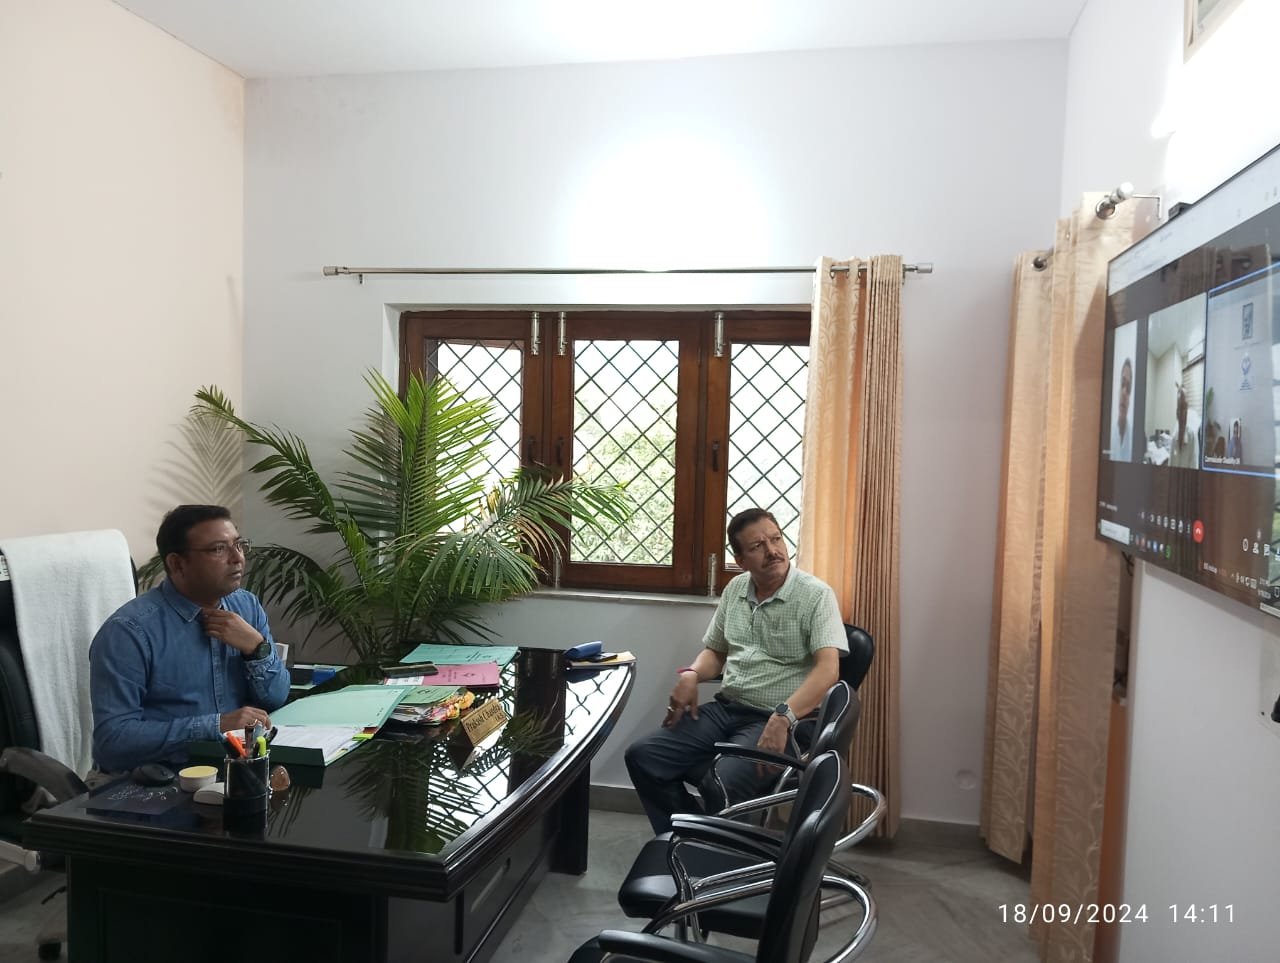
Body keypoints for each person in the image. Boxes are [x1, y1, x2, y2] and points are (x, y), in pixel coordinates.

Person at [624, 508, 847, 834]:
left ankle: (726, 867)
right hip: (727, 710)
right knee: (643, 756)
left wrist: (783, 717)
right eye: (758, 546)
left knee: (723, 783)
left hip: (781, 718)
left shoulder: (815, 595)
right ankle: (689, 838)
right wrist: (691, 674)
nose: (773, 551)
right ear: (741, 560)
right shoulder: (735, 590)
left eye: (776, 539)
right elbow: (716, 651)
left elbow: (829, 670)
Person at [89, 505, 291, 773]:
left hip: (233, 770)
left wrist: (256, 649)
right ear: (177, 563)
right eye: (219, 549)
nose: (237, 558)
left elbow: (276, 697)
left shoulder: (246, 606)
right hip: (154, 781)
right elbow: (113, 741)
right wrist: (216, 726)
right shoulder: (128, 632)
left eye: (239, 545)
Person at [1169, 385, 1199, 469]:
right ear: (1176, 413)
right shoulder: (1174, 438)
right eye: (1180, 408)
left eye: (1184, 408)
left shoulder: (1192, 437)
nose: (1182, 413)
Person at [1110, 357, 1133, 462]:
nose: (1124, 393)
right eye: (1122, 384)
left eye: (1128, 388)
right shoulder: (1107, 433)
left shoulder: (1134, 439)